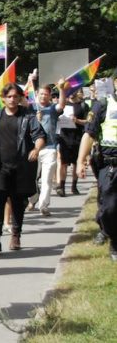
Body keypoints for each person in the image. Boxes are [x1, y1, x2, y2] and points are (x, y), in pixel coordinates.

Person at [0, 83, 46, 252]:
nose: (12, 99)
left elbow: (40, 135)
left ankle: (16, 235)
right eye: (9, 96)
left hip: (21, 167)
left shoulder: (28, 116)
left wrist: (36, 149)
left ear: (20, 98)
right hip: (0, 167)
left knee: (18, 203)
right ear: (3, 98)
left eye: (15, 96)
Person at [77, 74, 117, 262]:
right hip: (109, 165)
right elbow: (89, 135)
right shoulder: (103, 105)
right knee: (109, 208)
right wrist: (80, 161)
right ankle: (113, 237)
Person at [27, 80, 66, 216]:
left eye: (46, 94)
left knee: (47, 179)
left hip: (50, 147)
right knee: (30, 178)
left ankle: (43, 205)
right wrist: (29, 81)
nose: (43, 96)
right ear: (37, 95)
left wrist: (61, 88)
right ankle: (33, 198)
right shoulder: (31, 108)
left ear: (49, 96)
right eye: (41, 94)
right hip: (33, 148)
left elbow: (61, 105)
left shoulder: (52, 108)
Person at [57, 88, 89, 196]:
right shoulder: (63, 104)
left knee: (76, 163)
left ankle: (74, 186)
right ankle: (62, 187)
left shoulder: (83, 105)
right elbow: (55, 116)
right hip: (64, 138)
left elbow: (88, 121)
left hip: (78, 138)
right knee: (63, 163)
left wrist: (77, 120)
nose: (71, 93)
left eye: (73, 91)